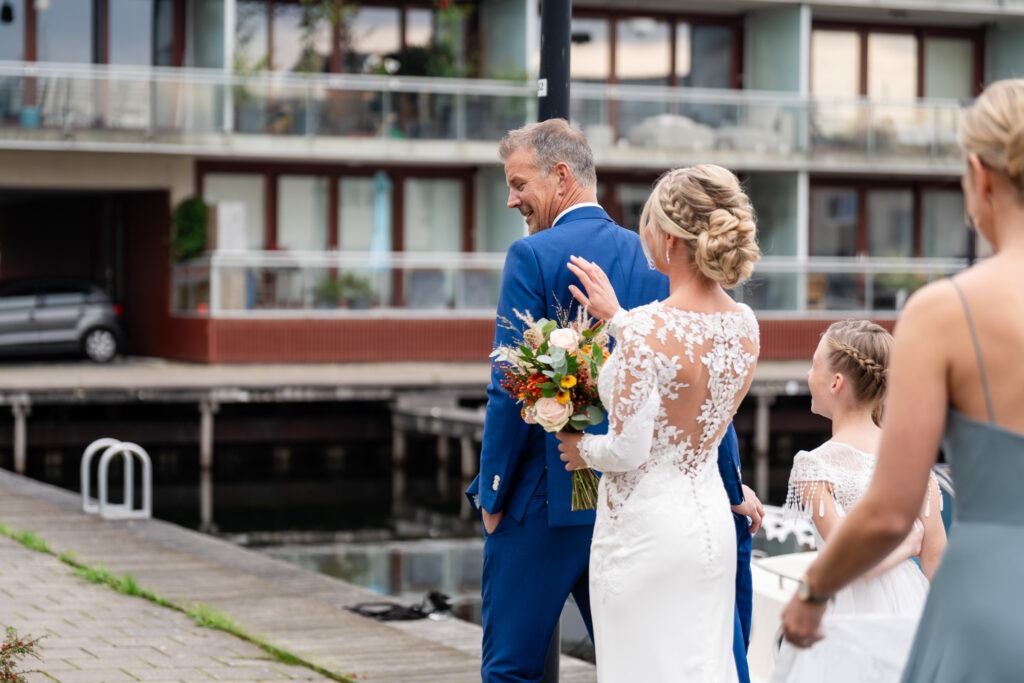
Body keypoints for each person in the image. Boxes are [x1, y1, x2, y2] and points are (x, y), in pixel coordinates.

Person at [466, 121, 762, 683]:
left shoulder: (532, 255)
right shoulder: (656, 260)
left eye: (518, 183)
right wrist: (730, 482)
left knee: (513, 668)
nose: (512, 199)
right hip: (659, 507)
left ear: (560, 176)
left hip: (544, 498)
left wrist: (493, 489)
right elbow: (698, 392)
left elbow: (507, 383)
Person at [779, 77, 1024, 682]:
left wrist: (812, 595)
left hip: (992, 594)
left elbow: (891, 511)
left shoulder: (946, 310)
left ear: (979, 174)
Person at [557, 163, 761, 681]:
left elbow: (628, 450)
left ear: (669, 238)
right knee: (699, 664)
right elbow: (686, 377)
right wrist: (620, 320)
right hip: (709, 523)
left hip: (644, 532)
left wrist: (581, 449)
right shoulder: (744, 325)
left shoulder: (645, 329)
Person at [771, 320, 946, 683]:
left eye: (814, 365)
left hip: (845, 618)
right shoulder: (912, 458)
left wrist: (907, 544)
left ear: (836, 383)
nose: (808, 373)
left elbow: (847, 559)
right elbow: (936, 557)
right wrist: (907, 543)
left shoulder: (814, 465)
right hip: (913, 611)